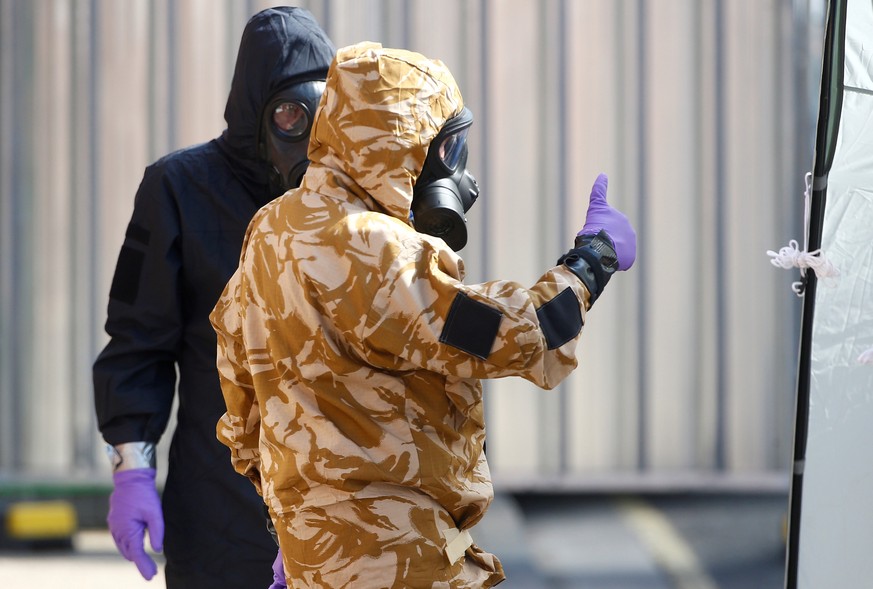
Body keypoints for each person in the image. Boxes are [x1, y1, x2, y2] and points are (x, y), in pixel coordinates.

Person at [211, 42, 636, 588]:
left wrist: (299, 521)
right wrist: (593, 258)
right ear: (402, 145)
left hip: (310, 557)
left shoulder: (270, 229)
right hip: (399, 560)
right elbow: (523, 335)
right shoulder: (378, 250)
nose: (457, 172)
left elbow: (241, 398)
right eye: (449, 150)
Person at [92, 7, 335, 587]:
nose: (305, 132)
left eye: (322, 111)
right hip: (223, 515)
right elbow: (136, 344)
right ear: (253, 108)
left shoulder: (352, 193)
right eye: (287, 112)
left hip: (343, 511)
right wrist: (132, 470)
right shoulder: (179, 188)